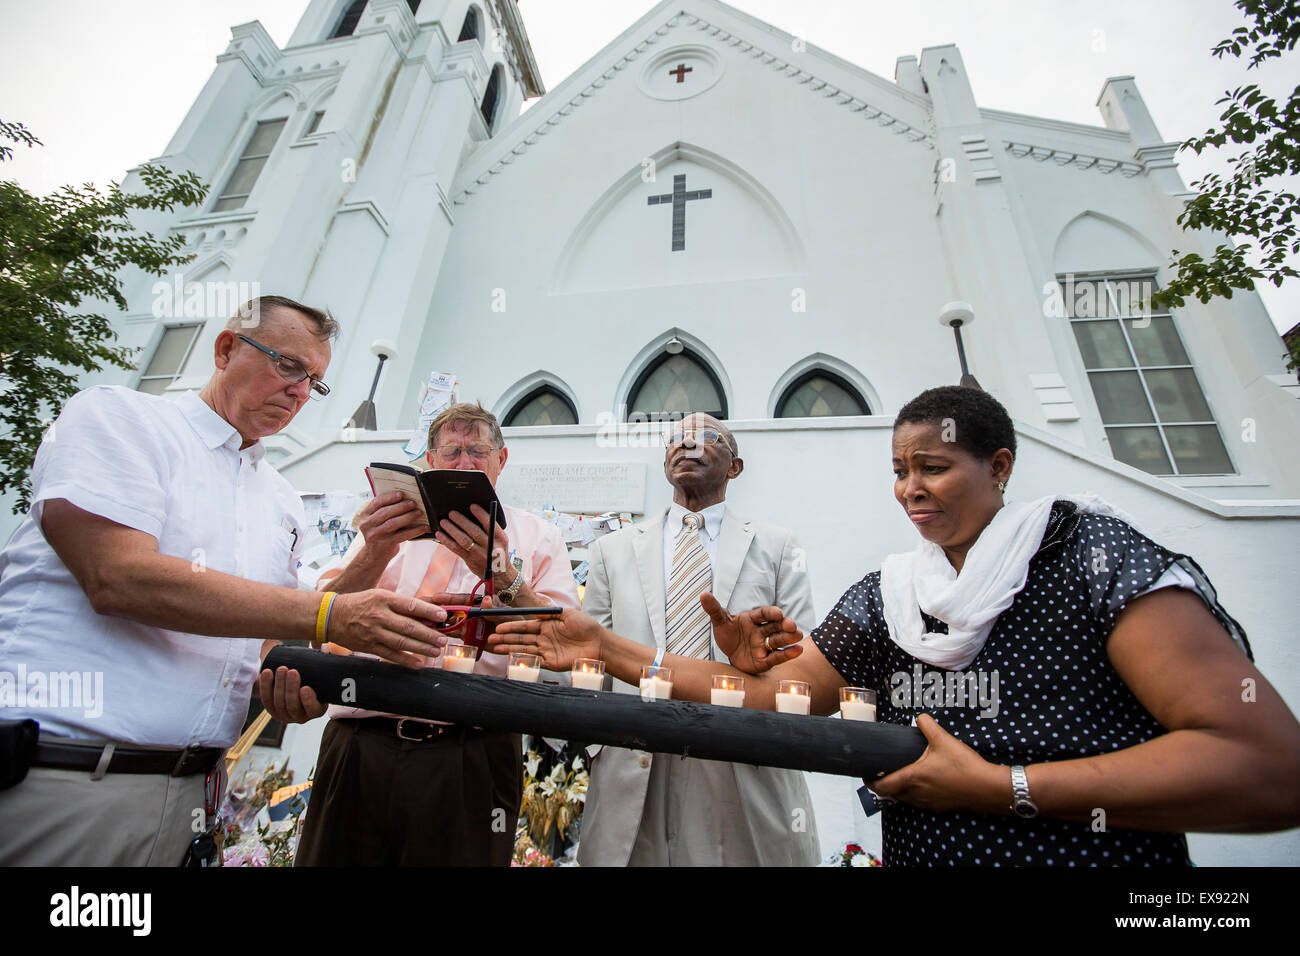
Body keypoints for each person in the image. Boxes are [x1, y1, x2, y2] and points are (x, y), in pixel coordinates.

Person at [494, 386, 1300, 865]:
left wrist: (1002, 789)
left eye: (934, 467)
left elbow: (1264, 768)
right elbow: (767, 699)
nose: (910, 489)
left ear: (1002, 467)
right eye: (898, 471)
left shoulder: (1088, 557)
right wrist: (606, 647)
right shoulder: (890, 595)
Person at [0, 296, 448, 866]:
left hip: (194, 790)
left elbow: (276, 633)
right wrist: (330, 617)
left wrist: (375, 554)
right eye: (288, 365)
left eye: (315, 380)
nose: (300, 392)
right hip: (69, 774)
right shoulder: (120, 418)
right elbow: (116, 576)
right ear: (225, 348)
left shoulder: (281, 499)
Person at [294, 402, 580, 867]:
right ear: (429, 461)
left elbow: (561, 645)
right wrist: (374, 552)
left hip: (474, 749)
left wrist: (499, 572)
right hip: (362, 744)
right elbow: (318, 621)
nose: (463, 464)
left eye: (477, 452)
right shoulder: (384, 528)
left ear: (500, 462)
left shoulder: (539, 536)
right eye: (451, 452)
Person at [569, 412, 819, 866]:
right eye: (675, 439)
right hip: (636, 759)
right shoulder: (612, 549)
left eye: (708, 438)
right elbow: (591, 656)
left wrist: (755, 663)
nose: (687, 445)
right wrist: (599, 746)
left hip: (742, 759)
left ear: (735, 466)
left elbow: (802, 660)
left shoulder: (779, 546)